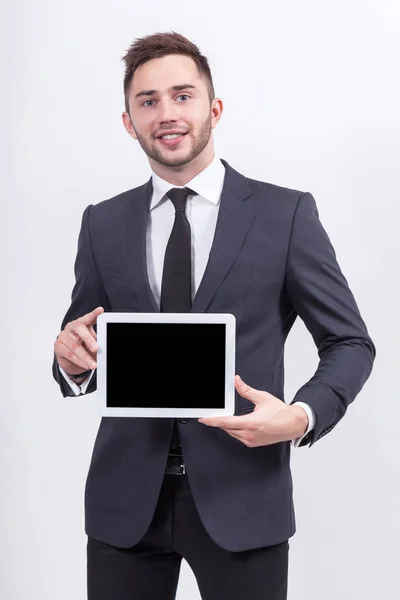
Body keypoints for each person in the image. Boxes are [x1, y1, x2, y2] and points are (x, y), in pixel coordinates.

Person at [52, 31, 376, 600]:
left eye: (183, 95)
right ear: (128, 121)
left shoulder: (285, 215)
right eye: (147, 101)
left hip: (244, 499)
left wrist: (300, 416)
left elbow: (350, 342)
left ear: (213, 108)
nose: (166, 113)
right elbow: (85, 337)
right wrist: (71, 361)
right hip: (125, 504)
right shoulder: (102, 222)